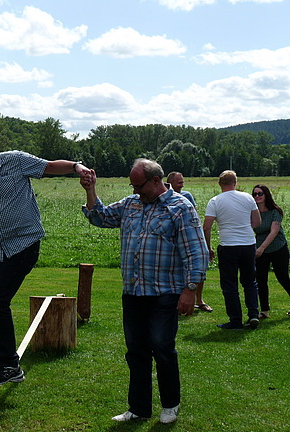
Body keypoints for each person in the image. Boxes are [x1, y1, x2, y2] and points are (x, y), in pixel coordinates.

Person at [0, 136, 91, 387]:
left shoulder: (15, 161)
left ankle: (8, 365)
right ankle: (8, 365)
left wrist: (76, 166)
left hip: (24, 244)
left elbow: (49, 166)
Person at [80, 158, 208, 424]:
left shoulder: (181, 208)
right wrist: (90, 190)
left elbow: (197, 252)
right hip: (134, 292)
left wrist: (190, 291)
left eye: (139, 186)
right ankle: (138, 408)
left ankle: (170, 405)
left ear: (156, 180)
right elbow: (99, 217)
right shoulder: (131, 204)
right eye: (133, 186)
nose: (136, 191)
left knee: (162, 347)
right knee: (136, 350)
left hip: (165, 292)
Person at [203, 170, 261, 330]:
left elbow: (206, 227)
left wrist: (208, 247)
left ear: (220, 184)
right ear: (235, 183)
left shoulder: (215, 201)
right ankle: (253, 314)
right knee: (250, 282)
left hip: (228, 245)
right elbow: (257, 222)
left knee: (230, 284)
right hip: (248, 244)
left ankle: (235, 320)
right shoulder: (248, 198)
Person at [167, 171, 212, 312]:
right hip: (174, 240)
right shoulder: (164, 198)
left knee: (197, 268)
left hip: (189, 237)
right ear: (170, 183)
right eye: (179, 182)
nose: (182, 185)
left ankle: (199, 300)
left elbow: (195, 216)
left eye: (182, 182)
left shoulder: (187, 196)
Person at [252, 184, 290, 319]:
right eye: (255, 194)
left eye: (260, 193)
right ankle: (264, 311)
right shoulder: (253, 212)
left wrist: (261, 248)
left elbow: (274, 232)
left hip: (277, 247)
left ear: (266, 195)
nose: (257, 196)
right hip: (260, 249)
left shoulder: (275, 211)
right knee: (260, 279)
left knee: (283, 277)